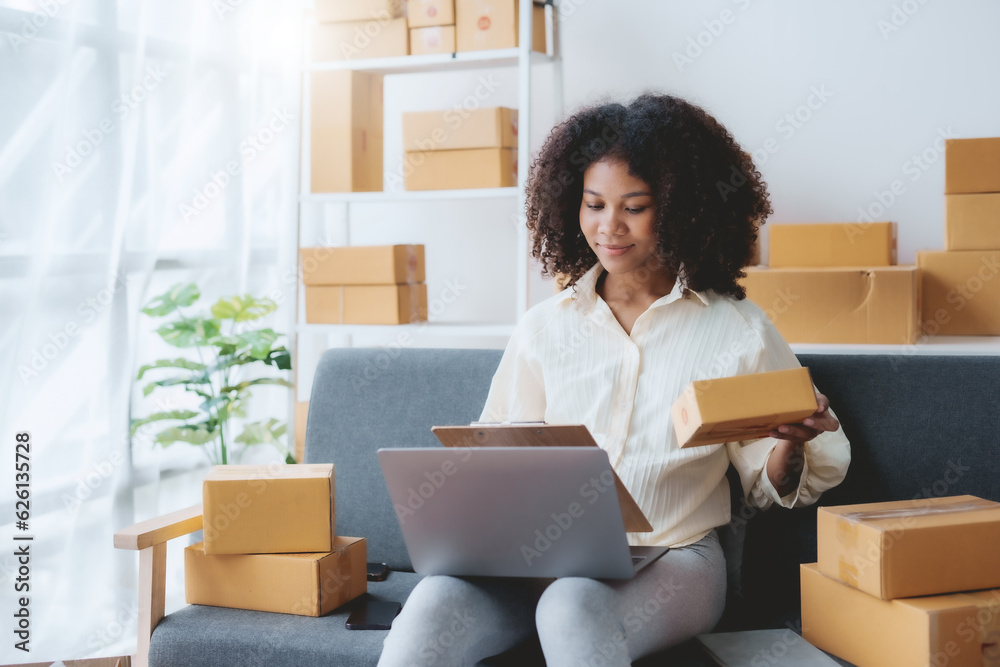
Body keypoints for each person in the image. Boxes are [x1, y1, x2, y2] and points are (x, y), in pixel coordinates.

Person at [378, 93, 850, 666]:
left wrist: (789, 446)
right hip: (539, 557)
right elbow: (493, 451)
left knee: (571, 605)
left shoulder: (737, 330)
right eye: (594, 204)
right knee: (431, 602)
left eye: (634, 206)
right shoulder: (544, 328)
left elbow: (769, 479)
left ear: (680, 208)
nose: (609, 227)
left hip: (675, 559)